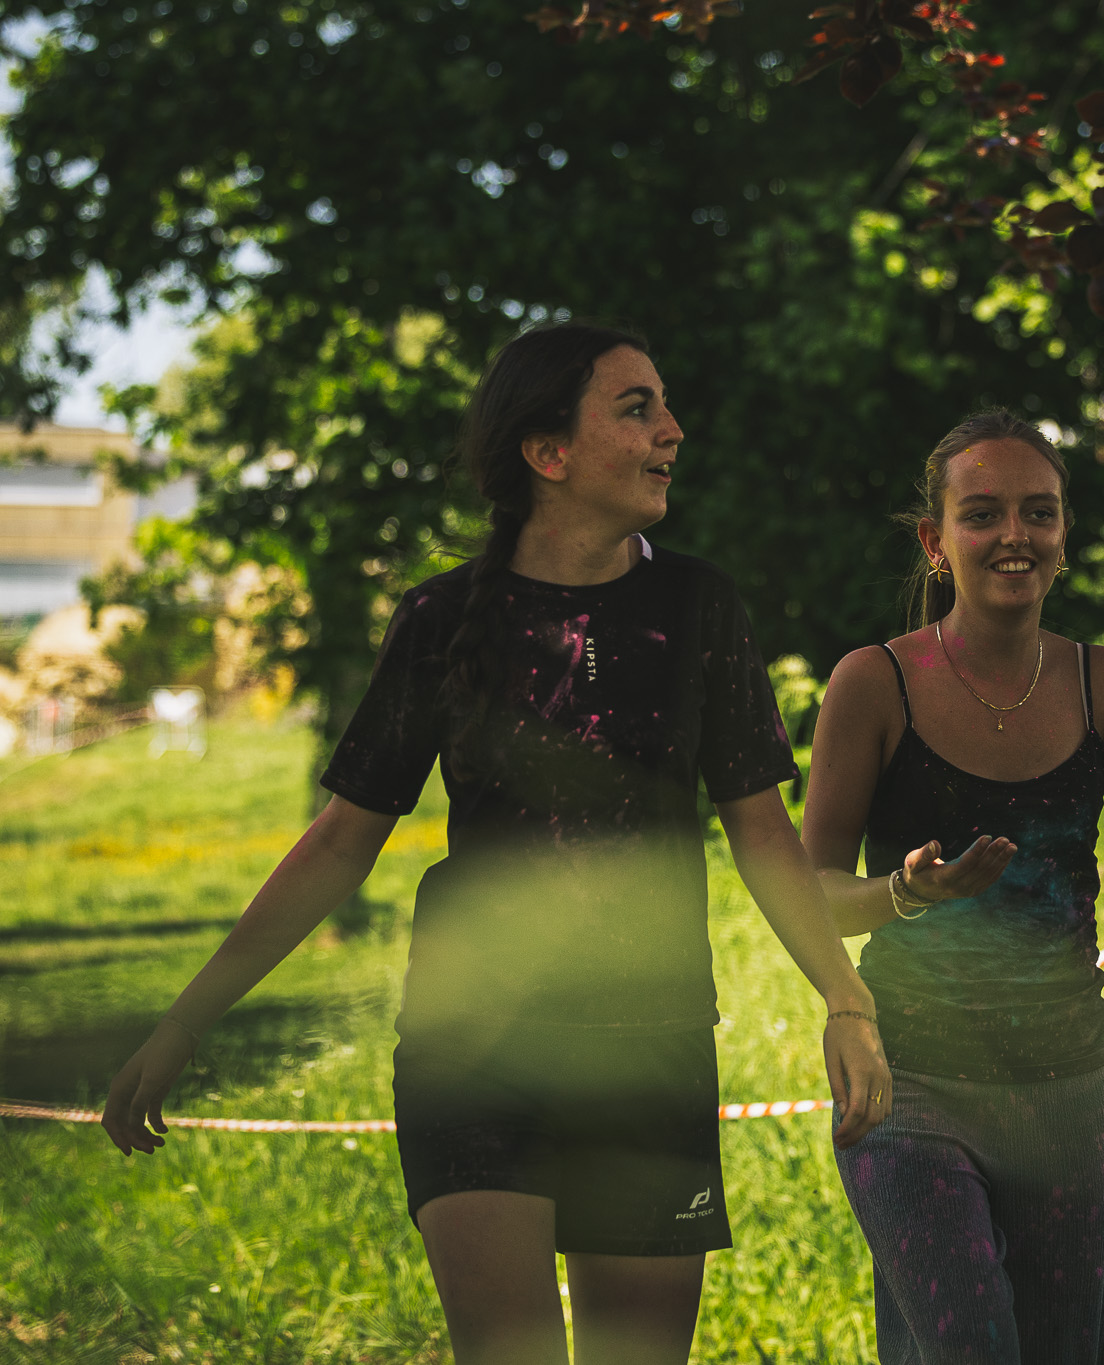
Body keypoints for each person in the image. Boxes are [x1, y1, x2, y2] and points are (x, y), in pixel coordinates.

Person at [100, 321, 892, 1365]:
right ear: (547, 451)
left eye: (664, 405)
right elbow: (340, 843)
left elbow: (762, 834)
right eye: (637, 408)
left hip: (648, 1052)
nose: (673, 429)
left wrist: (845, 1000)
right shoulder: (438, 619)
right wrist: (185, 1021)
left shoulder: (699, 606)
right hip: (472, 1048)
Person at [799, 409, 1104, 1365]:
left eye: (1039, 512)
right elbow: (809, 890)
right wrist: (907, 893)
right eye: (983, 514)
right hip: (909, 1087)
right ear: (936, 541)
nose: (1015, 535)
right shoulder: (874, 682)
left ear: (1063, 534)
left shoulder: (1101, 683)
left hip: (1064, 1095)